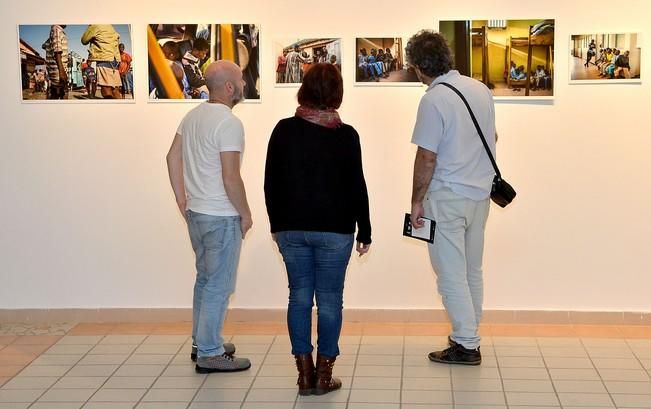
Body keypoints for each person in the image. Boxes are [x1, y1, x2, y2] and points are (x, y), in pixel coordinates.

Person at [264, 63, 371, 395]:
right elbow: (357, 186)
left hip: (291, 229)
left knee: (298, 297)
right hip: (335, 230)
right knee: (329, 301)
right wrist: (365, 230)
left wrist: (277, 226)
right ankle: (324, 375)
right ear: (337, 93)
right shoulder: (346, 135)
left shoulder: (283, 130)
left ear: (304, 89)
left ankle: (304, 374)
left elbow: (270, 183)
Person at [406, 30, 496, 366]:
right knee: (472, 269)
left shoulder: (433, 99)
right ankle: (470, 331)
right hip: (480, 196)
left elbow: (426, 157)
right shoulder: (479, 89)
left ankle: (466, 343)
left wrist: (416, 201)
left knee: (450, 273)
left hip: (447, 196)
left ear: (418, 67)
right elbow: (493, 135)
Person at [166, 60, 252, 373]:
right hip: (220, 215)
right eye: (241, 80)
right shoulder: (229, 123)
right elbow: (231, 177)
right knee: (218, 285)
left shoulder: (192, 116)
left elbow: (171, 156)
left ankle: (202, 340)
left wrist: (181, 198)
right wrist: (245, 213)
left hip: (197, 213)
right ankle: (211, 352)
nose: (244, 84)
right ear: (229, 87)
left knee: (204, 280)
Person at [81, 24, 122, 99]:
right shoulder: (110, 26)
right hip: (115, 60)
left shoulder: (95, 25)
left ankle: (110, 110)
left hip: (104, 59)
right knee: (115, 89)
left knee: (106, 90)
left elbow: (84, 40)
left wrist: (90, 26)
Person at [42, 24, 68, 99]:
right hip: (58, 72)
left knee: (57, 95)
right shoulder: (56, 29)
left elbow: (43, 46)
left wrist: (48, 45)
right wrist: (62, 72)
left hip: (57, 72)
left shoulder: (56, 31)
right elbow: (57, 51)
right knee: (60, 94)